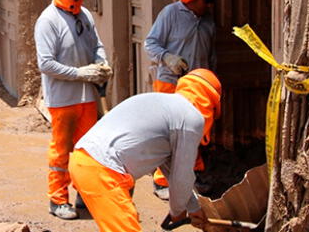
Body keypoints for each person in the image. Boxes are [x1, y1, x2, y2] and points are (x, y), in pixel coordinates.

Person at [69, 69, 221, 232]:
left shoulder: (166, 106)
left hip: (84, 160)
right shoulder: (192, 118)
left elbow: (171, 171)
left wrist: (193, 208)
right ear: (209, 104)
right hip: (103, 171)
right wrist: (178, 212)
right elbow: (181, 177)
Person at [34, 0, 112, 220]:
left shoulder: (85, 16)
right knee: (61, 151)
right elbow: (46, 63)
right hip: (63, 98)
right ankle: (57, 200)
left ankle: (84, 196)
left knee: (87, 150)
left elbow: (97, 45)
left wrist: (101, 64)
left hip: (87, 96)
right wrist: (80, 74)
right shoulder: (48, 21)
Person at [144, 0, 221, 199]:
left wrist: (212, 80)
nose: (208, 4)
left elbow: (212, 54)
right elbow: (150, 43)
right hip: (169, 83)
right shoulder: (170, 14)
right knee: (167, 133)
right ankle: (161, 181)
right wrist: (168, 58)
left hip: (196, 87)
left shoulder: (208, 21)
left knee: (194, 131)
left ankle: (191, 176)